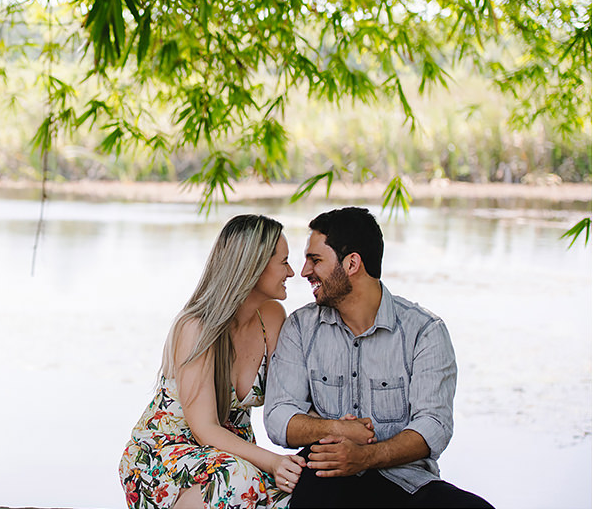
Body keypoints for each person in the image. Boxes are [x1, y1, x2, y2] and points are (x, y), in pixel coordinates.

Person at [263, 207, 492, 508]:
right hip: (328, 479)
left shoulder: (424, 332)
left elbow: (434, 425)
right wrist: (336, 429)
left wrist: (366, 457)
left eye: (315, 260)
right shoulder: (301, 328)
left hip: (406, 480)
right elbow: (278, 417)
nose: (304, 272)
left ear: (352, 263)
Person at [119, 214, 307, 508]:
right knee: (236, 479)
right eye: (284, 262)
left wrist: (335, 426)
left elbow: (289, 395)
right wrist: (273, 462)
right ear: (254, 267)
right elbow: (204, 429)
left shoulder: (271, 318)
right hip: (167, 456)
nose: (292, 272)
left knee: (292, 495)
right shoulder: (196, 328)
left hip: (233, 456)